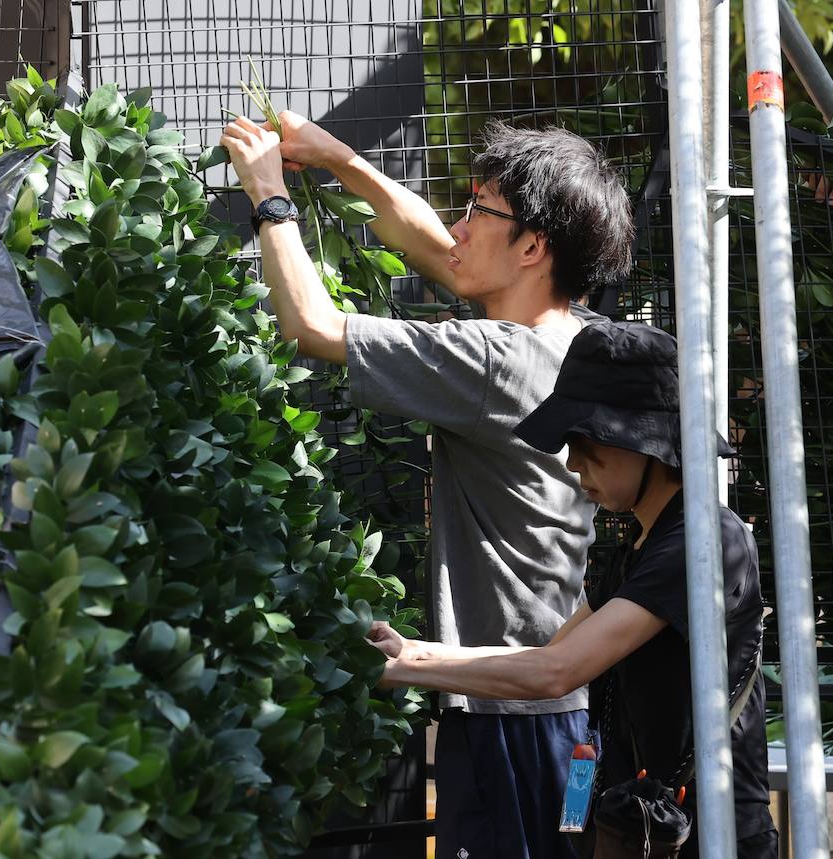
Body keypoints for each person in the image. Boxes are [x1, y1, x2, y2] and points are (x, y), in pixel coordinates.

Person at [219, 113, 634, 858]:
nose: (458, 226)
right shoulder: (572, 339)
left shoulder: (496, 360)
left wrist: (270, 193)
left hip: (508, 717)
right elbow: (440, 249)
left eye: (479, 211)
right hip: (567, 713)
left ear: (533, 248)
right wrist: (340, 156)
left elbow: (310, 324)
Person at [369, 320, 778, 858]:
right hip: (644, 821)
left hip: (710, 833)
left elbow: (557, 673)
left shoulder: (701, 542)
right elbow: (551, 653)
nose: (572, 461)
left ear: (649, 443)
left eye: (589, 441)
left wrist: (399, 673)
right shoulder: (643, 541)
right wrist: (412, 651)